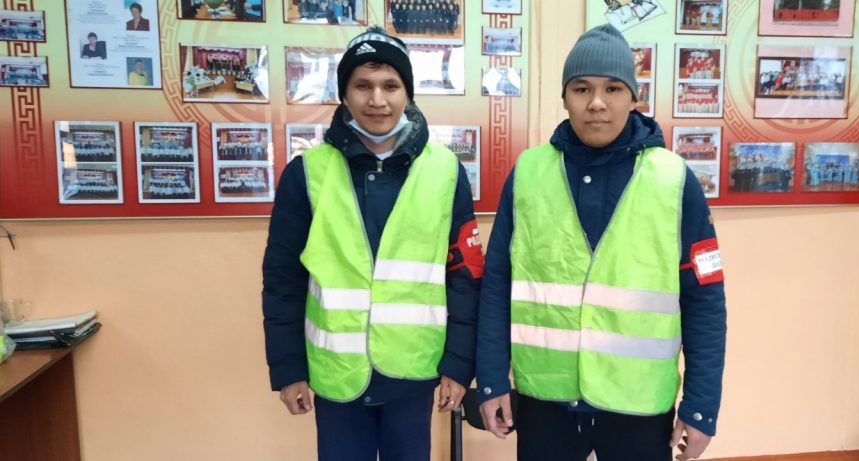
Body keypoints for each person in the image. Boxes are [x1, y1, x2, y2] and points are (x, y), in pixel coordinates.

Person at [476, 24, 727, 461]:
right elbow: (497, 282)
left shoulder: (674, 180)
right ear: (565, 97)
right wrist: (492, 378)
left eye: (612, 88)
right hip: (545, 398)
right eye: (581, 89)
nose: (596, 102)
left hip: (639, 405)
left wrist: (701, 406)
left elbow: (704, 298)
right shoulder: (529, 173)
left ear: (633, 96)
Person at [262, 26, 481, 461]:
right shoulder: (307, 173)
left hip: (413, 373)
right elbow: (283, 282)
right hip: (336, 376)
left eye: (390, 86)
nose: (377, 99)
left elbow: (464, 276)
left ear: (408, 93)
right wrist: (288, 369)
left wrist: (459, 364)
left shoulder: (445, 171)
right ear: (344, 94)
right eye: (363, 85)